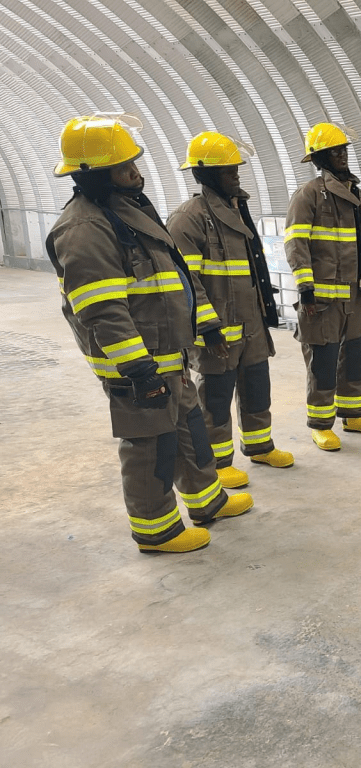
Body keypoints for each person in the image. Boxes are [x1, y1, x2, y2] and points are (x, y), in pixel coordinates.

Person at [46, 114, 254, 554]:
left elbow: (174, 278)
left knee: (188, 430)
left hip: (168, 351)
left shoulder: (126, 212)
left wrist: (202, 326)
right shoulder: (84, 229)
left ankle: (206, 502)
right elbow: (102, 309)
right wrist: (139, 370)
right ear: (95, 176)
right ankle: (155, 530)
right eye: (125, 169)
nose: (136, 175)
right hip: (137, 363)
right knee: (149, 444)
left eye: (134, 165)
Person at [167, 131, 293, 490]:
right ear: (204, 175)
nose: (237, 175)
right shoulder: (189, 219)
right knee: (215, 398)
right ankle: (219, 464)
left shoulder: (238, 208)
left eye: (236, 168)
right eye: (228, 170)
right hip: (217, 329)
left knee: (257, 388)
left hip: (249, 324)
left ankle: (259, 446)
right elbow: (186, 281)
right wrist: (207, 327)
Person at [284, 123, 361, 451]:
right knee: (323, 362)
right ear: (319, 158)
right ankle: (320, 424)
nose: (342, 155)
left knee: (354, 358)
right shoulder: (309, 194)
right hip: (322, 300)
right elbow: (296, 244)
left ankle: (353, 413)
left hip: (355, 297)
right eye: (334, 150)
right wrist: (305, 289)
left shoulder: (357, 195)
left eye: (344, 149)